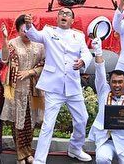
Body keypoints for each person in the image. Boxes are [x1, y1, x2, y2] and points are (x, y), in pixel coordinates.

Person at [23, 9, 92, 164]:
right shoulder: (48, 31)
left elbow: (86, 53)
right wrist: (29, 24)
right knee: (48, 124)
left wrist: (83, 61)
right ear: (57, 17)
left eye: (68, 14)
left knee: (82, 118)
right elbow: (35, 35)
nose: (64, 16)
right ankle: (40, 160)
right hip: (54, 86)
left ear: (72, 20)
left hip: (73, 86)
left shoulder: (78, 35)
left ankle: (75, 148)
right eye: (61, 13)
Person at [88, 36, 124, 164]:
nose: (117, 85)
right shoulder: (104, 92)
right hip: (105, 140)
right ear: (109, 83)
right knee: (102, 159)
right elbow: (100, 72)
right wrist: (98, 51)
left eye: (120, 82)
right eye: (114, 82)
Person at [0, 16, 45, 164]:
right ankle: (20, 155)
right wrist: (5, 39)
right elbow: (5, 59)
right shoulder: (12, 43)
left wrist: (30, 72)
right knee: (17, 120)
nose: (26, 33)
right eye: (23, 30)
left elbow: (44, 63)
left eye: (28, 29)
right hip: (16, 89)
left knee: (30, 120)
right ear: (18, 30)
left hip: (33, 87)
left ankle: (28, 151)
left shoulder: (39, 45)